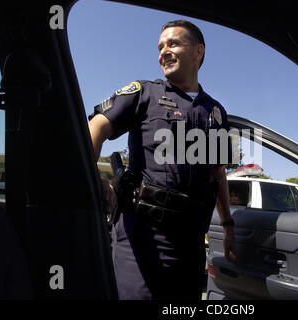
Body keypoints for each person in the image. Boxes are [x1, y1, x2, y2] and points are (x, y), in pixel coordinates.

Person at [88, 19, 237, 300]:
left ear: (198, 51)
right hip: (143, 238)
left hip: (192, 242)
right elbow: (95, 128)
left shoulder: (216, 112)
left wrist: (228, 227)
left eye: (173, 43)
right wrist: (95, 177)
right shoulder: (143, 93)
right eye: (160, 47)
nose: (163, 52)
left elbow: (218, 174)